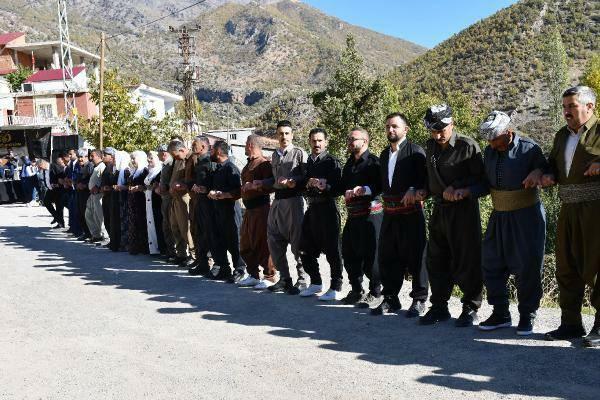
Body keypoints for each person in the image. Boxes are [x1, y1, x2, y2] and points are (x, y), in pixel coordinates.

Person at [477, 111, 548, 336]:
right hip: (499, 216)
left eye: (494, 138)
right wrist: (463, 190)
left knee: (527, 266)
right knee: (490, 262)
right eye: (488, 139)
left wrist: (538, 171)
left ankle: (527, 314)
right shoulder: (489, 151)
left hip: (526, 216)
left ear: (508, 133)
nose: (490, 143)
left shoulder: (529, 148)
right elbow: (483, 184)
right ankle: (501, 313)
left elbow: (548, 169)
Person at [417, 104, 486, 327]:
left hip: (463, 211)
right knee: (436, 259)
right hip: (438, 210)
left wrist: (461, 189)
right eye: (433, 131)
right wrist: (422, 191)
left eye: (442, 130)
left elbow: (483, 182)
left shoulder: (467, 146)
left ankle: (470, 307)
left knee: (467, 258)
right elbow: (430, 179)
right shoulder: (430, 147)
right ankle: (439, 307)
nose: (438, 135)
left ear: (451, 124)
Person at [541, 86, 600, 347]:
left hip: (595, 210)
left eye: (572, 106)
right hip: (568, 209)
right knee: (567, 265)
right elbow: (553, 165)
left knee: (597, 266)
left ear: (590, 107)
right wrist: (544, 174)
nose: (566, 112)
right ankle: (571, 323)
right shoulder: (561, 136)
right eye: (564, 107)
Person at [373, 113, 429, 317]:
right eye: (387, 126)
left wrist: (414, 188)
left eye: (395, 126)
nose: (390, 130)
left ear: (406, 129)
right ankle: (391, 299)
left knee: (416, 256)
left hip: (410, 214)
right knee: (388, 256)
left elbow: (425, 180)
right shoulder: (384, 154)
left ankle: (419, 299)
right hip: (389, 213)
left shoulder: (416, 152)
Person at [257, 120, 309, 294]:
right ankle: (285, 279)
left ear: (292, 135)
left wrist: (294, 181)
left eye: (287, 133)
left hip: (294, 201)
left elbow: (306, 177)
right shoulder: (275, 155)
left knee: (297, 242)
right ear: (276, 135)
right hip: (277, 201)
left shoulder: (299, 153)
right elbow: (274, 180)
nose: (284, 136)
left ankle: (302, 280)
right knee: (273, 239)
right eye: (280, 133)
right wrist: (260, 183)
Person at [339, 127, 384, 308]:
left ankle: (376, 292)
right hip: (353, 215)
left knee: (372, 254)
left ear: (365, 141)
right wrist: (347, 191)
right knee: (349, 252)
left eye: (354, 138)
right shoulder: (349, 164)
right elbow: (343, 185)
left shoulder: (374, 162)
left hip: (371, 215)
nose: (350, 141)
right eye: (349, 138)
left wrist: (364, 189)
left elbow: (381, 185)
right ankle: (356, 290)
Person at [297, 128, 344, 301]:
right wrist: (308, 183)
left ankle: (336, 286)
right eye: (314, 141)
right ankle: (316, 282)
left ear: (326, 142)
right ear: (309, 141)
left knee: (333, 250)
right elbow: (300, 186)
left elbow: (339, 187)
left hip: (328, 210)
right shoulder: (308, 162)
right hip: (312, 210)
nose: (317, 144)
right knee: (303, 247)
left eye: (320, 141)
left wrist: (326, 185)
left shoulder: (332, 162)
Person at [237, 134, 276, 288]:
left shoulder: (264, 164)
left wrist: (256, 185)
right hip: (249, 210)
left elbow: (271, 185)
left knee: (263, 243)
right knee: (246, 243)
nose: (245, 146)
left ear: (250, 145)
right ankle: (253, 274)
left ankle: (269, 276)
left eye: (246, 143)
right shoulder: (248, 165)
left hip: (261, 209)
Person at [208, 140, 246, 283]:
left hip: (230, 212)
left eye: (212, 150)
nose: (210, 153)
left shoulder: (231, 168)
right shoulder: (218, 168)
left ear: (218, 152)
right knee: (221, 240)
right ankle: (224, 268)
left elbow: (237, 191)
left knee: (234, 241)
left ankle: (240, 269)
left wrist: (222, 194)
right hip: (218, 211)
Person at [187, 136, 221, 276]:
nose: (193, 146)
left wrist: (205, 189)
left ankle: (216, 264)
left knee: (209, 234)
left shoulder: (210, 162)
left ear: (203, 147)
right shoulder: (199, 162)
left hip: (209, 204)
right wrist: (194, 186)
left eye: (195, 144)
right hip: (199, 202)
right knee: (199, 233)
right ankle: (202, 264)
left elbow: (215, 182)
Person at [168, 140, 195, 266]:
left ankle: (194, 255)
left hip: (184, 197)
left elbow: (193, 179)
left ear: (182, 150)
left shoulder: (191, 159)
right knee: (176, 227)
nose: (175, 158)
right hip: (175, 197)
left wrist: (182, 185)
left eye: (176, 155)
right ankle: (181, 254)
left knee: (186, 228)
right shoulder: (178, 160)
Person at [127, 151, 149, 255]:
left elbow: (146, 185)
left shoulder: (144, 170)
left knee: (141, 222)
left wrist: (140, 188)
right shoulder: (134, 171)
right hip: (133, 199)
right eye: (131, 159)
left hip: (141, 200)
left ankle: (143, 247)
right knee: (134, 222)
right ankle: (134, 246)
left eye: (134, 158)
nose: (132, 161)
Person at [157, 144, 176, 260]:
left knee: (170, 224)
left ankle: (173, 252)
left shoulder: (170, 163)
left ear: (163, 153)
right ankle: (170, 251)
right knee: (166, 225)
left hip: (169, 197)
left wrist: (165, 187)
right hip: (165, 198)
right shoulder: (165, 164)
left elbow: (172, 180)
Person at [145, 151, 165, 255]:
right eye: (148, 158)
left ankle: (160, 248)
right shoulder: (150, 171)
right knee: (151, 224)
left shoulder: (159, 170)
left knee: (158, 224)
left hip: (156, 201)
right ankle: (153, 248)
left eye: (151, 158)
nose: (149, 160)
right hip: (149, 201)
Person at [85, 149, 107, 243]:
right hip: (92, 195)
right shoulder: (96, 167)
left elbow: (104, 180)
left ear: (99, 156)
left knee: (99, 216)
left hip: (99, 195)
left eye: (93, 156)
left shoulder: (102, 166)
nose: (91, 158)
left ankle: (104, 236)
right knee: (89, 215)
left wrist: (98, 187)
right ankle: (96, 234)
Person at [74, 149, 94, 241]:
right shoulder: (79, 166)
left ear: (87, 157)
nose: (80, 159)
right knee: (80, 214)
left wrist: (84, 186)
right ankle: (86, 233)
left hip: (86, 194)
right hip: (79, 193)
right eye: (79, 157)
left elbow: (91, 181)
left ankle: (90, 233)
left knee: (86, 214)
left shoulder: (90, 166)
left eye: (82, 157)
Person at [100, 147, 118, 247]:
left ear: (111, 156)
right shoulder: (106, 167)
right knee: (107, 219)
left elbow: (116, 183)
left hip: (112, 197)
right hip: (105, 197)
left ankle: (114, 241)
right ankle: (112, 240)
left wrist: (109, 188)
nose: (103, 157)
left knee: (111, 219)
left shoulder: (114, 167)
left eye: (105, 155)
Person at [44, 155, 66, 229]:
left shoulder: (54, 166)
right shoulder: (44, 169)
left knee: (59, 206)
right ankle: (56, 217)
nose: (39, 168)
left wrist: (58, 184)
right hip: (50, 189)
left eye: (39, 166)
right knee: (46, 202)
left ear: (43, 164)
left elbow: (61, 175)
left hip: (58, 189)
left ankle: (60, 222)